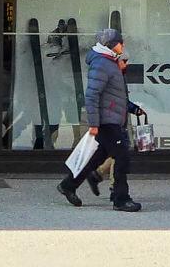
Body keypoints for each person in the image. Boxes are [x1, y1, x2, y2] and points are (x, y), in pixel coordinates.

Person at [58, 28, 147, 213]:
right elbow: (92, 95)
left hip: (111, 118)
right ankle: (121, 199)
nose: (123, 45)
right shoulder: (102, 63)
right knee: (122, 156)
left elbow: (113, 94)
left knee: (96, 158)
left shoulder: (110, 62)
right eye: (120, 42)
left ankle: (69, 185)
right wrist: (93, 124)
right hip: (107, 121)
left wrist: (132, 108)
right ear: (111, 45)